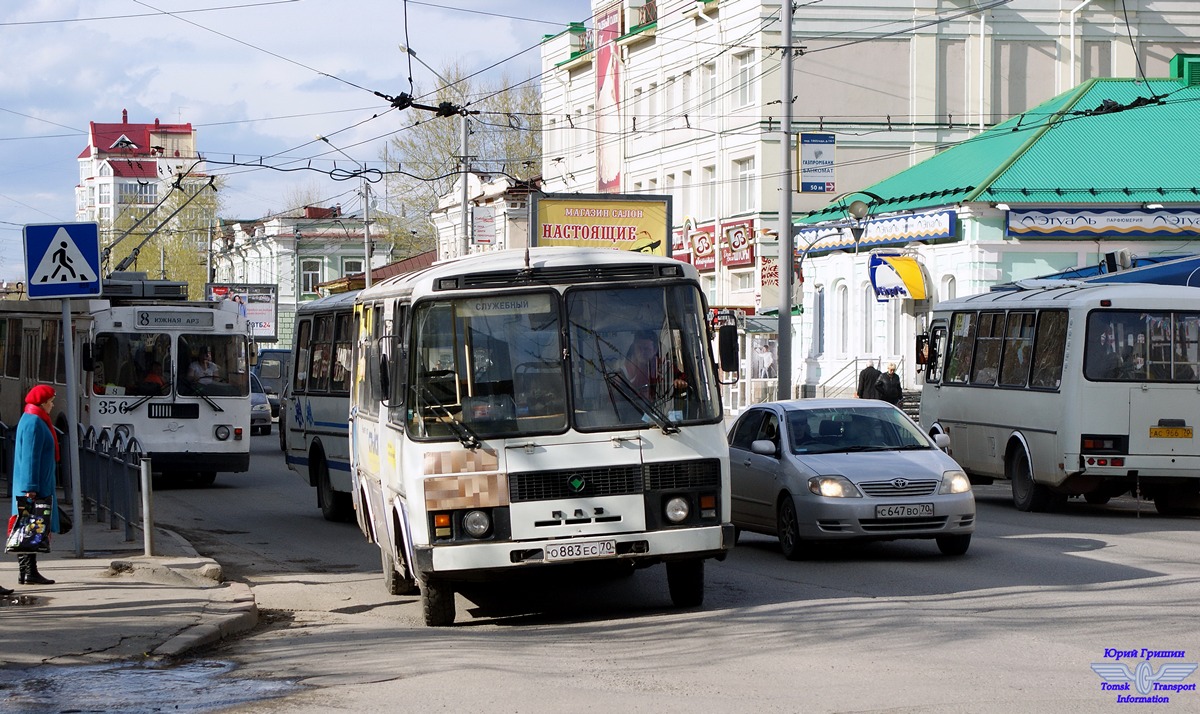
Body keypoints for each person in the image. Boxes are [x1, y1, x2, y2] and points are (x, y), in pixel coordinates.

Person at [8, 384, 61, 590]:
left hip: (35, 484)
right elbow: (31, 457)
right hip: (32, 485)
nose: (52, 405)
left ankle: (28, 572)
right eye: (50, 402)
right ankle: (29, 572)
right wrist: (31, 487)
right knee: (29, 527)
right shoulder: (34, 422)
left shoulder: (34, 418)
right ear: (42, 403)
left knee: (29, 527)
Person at [623, 333, 687, 401]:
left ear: (654, 350)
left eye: (646, 349)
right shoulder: (627, 368)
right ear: (634, 350)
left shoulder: (664, 365)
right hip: (635, 406)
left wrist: (679, 383)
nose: (642, 352)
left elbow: (683, 381)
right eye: (639, 348)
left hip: (662, 407)